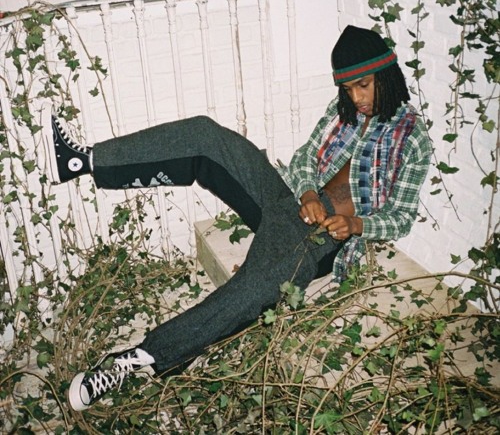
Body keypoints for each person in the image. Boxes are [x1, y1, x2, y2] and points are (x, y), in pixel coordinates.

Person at [44, 25, 432, 411]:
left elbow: (401, 217)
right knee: (206, 135)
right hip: (294, 201)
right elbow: (303, 159)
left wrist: (356, 225)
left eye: (363, 85)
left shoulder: (412, 138)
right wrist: (309, 193)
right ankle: (85, 160)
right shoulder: (343, 111)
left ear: (386, 74)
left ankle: (137, 360)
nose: (356, 97)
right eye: (348, 89)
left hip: (325, 238)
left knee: (256, 285)